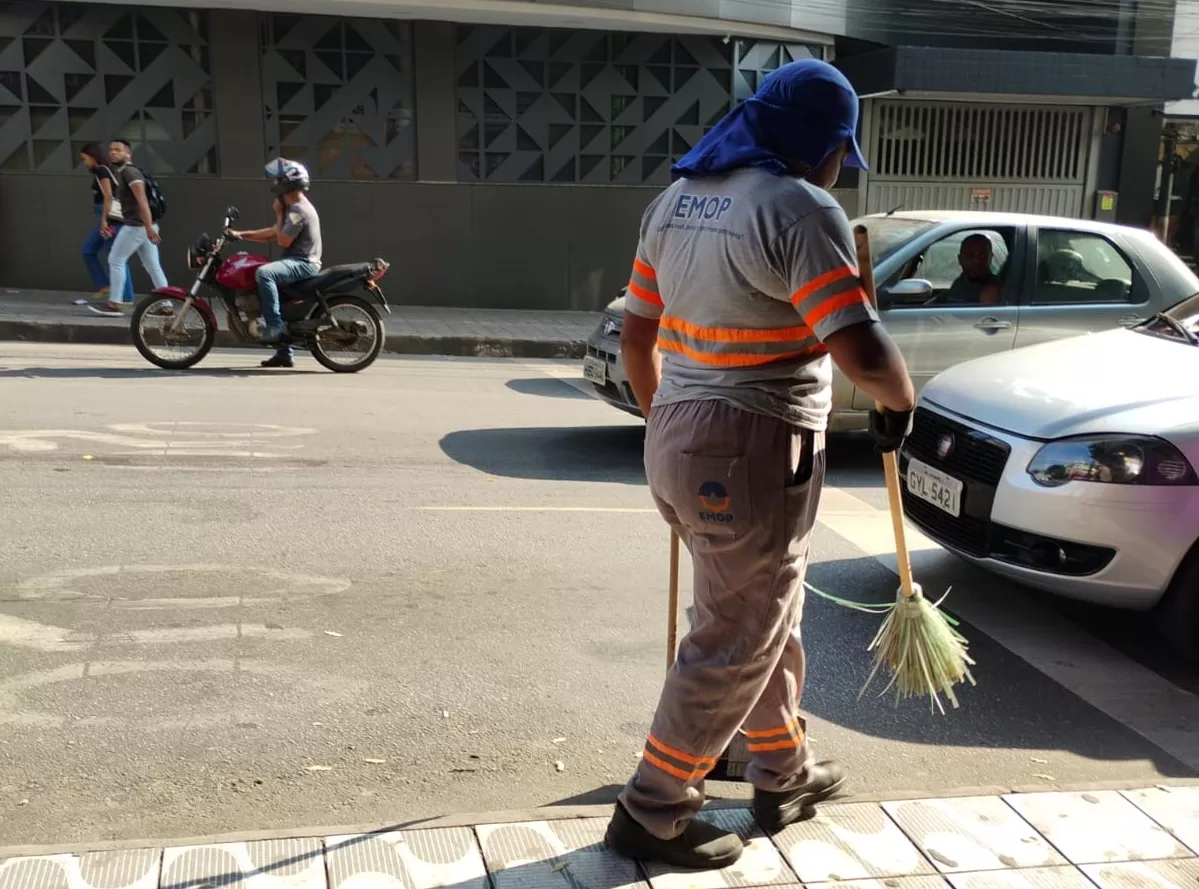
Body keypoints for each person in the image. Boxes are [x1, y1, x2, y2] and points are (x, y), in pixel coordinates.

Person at [605, 59, 917, 871]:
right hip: (754, 440)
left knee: (760, 614)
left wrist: (673, 423)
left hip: (677, 428)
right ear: (819, 142)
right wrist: (898, 402)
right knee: (738, 632)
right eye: (839, 152)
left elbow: (637, 335)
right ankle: (654, 808)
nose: (837, 169)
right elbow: (859, 345)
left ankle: (781, 770)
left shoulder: (673, 201)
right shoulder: (798, 207)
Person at [229, 158, 322, 369]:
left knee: (265, 273)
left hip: (304, 263)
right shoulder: (294, 208)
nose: (275, 184)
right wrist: (240, 234)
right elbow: (273, 232)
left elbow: (281, 240)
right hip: (296, 260)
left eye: (278, 180)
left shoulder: (298, 211)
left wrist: (279, 213)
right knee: (273, 294)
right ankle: (284, 353)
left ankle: (274, 327)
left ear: (288, 183)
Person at [91, 139, 168, 317]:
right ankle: (167, 305)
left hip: (136, 226)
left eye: (118, 150)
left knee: (115, 260)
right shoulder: (126, 172)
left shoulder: (129, 172)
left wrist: (148, 227)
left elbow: (142, 201)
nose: (112, 153)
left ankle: (115, 304)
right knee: (153, 266)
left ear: (128, 154)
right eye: (110, 150)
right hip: (144, 226)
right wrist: (150, 227)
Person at [78, 143, 135, 306]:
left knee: (116, 257)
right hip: (107, 217)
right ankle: (105, 287)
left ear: (92, 156)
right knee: (89, 251)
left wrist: (104, 220)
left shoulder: (102, 170)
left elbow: (108, 195)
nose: (84, 162)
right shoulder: (103, 170)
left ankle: (126, 296)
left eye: (85, 159)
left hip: (110, 219)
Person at [944, 233, 1003, 305]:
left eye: (982, 255)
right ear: (960, 259)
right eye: (970, 255)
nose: (977, 260)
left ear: (990, 258)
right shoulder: (960, 282)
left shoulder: (992, 290)